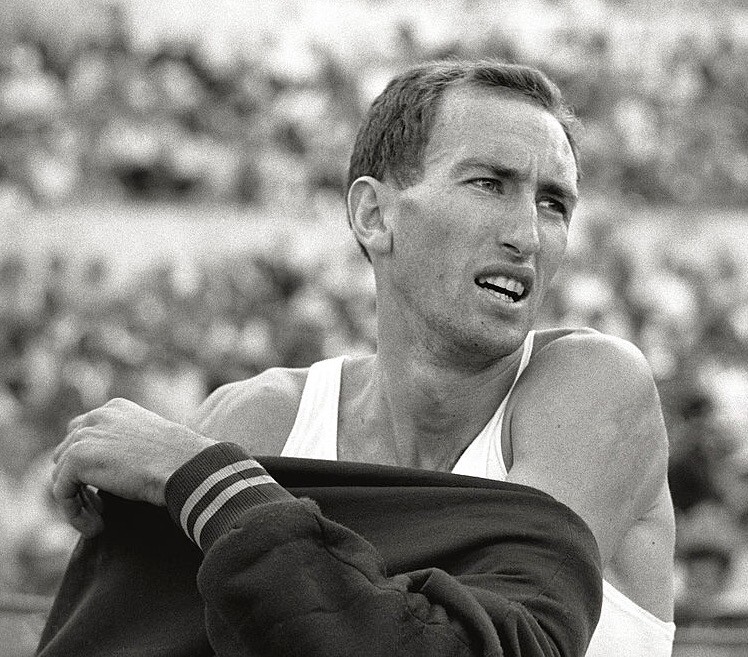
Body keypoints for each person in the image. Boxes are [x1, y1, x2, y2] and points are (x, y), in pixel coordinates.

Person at [43, 60, 674, 656]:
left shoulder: (591, 388)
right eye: (489, 184)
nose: (528, 236)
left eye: (553, 204)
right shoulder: (261, 420)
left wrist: (203, 482)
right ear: (373, 215)